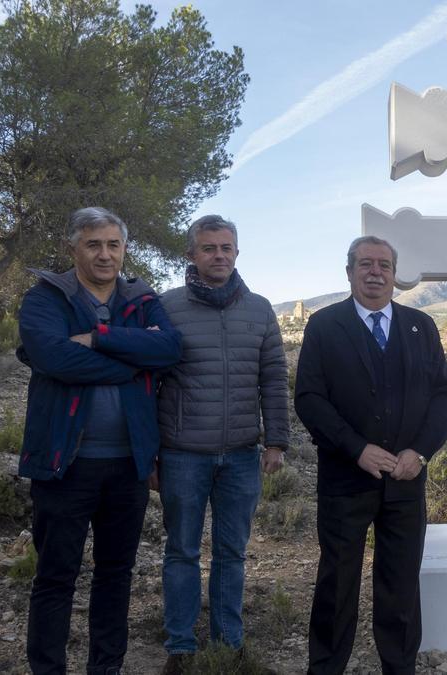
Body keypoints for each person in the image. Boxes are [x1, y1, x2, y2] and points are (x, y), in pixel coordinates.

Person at [17, 206, 181, 675]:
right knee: (55, 578)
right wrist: (133, 361)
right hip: (64, 463)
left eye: (113, 244)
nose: (105, 254)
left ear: (124, 248)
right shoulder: (46, 298)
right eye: (93, 244)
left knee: (115, 576)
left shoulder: (141, 297)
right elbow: (54, 359)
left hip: (128, 465)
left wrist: (98, 337)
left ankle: (105, 668)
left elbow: (169, 349)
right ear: (73, 248)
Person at [295, 235, 447, 675]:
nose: (375, 272)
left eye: (384, 265)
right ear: (349, 272)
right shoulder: (325, 326)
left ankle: (399, 666)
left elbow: (443, 394)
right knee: (337, 580)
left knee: (401, 583)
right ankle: (326, 666)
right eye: (365, 264)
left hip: (406, 479)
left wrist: (420, 452)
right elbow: (309, 398)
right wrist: (356, 448)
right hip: (345, 480)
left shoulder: (421, 325)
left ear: (394, 274)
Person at [155, 215, 289, 673]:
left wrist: (277, 441)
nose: (219, 256)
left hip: (241, 454)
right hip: (181, 453)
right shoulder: (166, 307)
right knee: (182, 551)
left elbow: (273, 378)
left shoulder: (260, 309)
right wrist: (151, 452)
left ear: (237, 253)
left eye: (227, 248)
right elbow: (150, 381)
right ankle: (180, 646)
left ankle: (228, 641)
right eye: (209, 248)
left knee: (232, 552)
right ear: (191, 254)